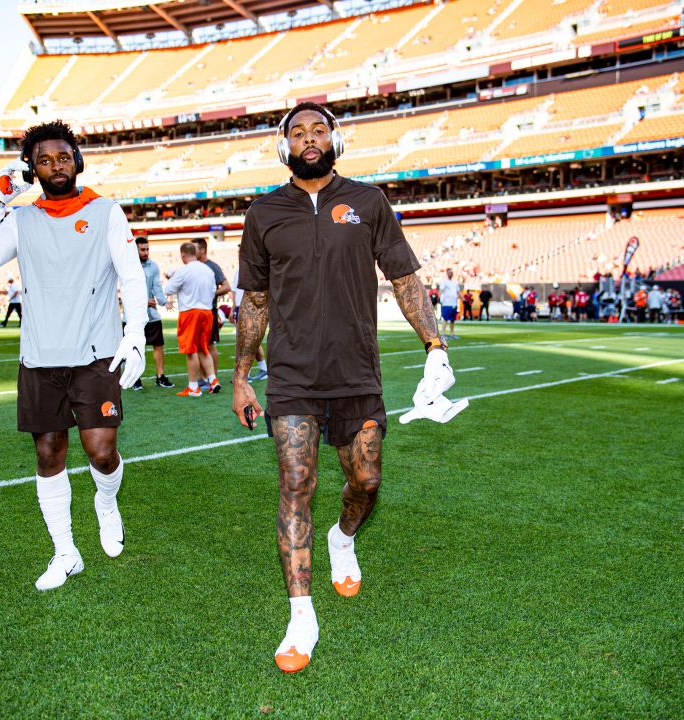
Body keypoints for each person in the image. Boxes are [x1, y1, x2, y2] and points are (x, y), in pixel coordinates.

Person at [231, 101, 460, 674]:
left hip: (356, 372)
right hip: (291, 377)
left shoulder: (368, 201)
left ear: (335, 138)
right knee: (296, 481)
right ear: (284, 146)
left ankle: (343, 538)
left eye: (318, 130)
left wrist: (436, 346)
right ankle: (301, 617)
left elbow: (405, 279)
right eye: (298, 133)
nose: (309, 139)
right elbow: (255, 301)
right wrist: (240, 375)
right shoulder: (263, 213)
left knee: (367, 481)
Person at [0, 119, 147, 591]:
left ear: (78, 161)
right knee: (48, 454)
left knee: (101, 452)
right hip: (40, 358)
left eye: (63, 157)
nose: (55, 166)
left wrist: (135, 335)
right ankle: (66, 553)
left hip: (96, 355)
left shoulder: (106, 211)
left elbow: (131, 276)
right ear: (31, 168)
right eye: (43, 160)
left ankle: (106, 504)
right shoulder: (21, 219)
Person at [163, 242, 217, 397]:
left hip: (190, 312)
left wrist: (171, 277)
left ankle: (193, 387)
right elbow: (213, 291)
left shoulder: (183, 271)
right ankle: (212, 380)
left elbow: (168, 289)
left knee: (191, 350)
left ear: (183, 255)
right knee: (203, 348)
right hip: (207, 312)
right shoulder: (208, 270)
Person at [192, 237, 232, 393]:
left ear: (202, 250)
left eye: (194, 249)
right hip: (196, 312)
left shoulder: (212, 266)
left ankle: (212, 377)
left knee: (209, 345)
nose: (192, 252)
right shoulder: (194, 266)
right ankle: (204, 378)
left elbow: (227, 286)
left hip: (209, 311)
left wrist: (210, 293)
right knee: (198, 346)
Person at [135, 237, 174, 389]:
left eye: (147, 249)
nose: (145, 252)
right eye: (142, 249)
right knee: (137, 347)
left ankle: (160, 377)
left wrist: (164, 302)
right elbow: (125, 290)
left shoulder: (154, 266)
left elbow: (157, 287)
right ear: (135, 250)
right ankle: (136, 379)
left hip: (152, 314)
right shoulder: (129, 266)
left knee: (158, 345)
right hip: (134, 316)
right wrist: (143, 301)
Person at [233, 266, 268, 380]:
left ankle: (245, 373)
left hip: (249, 306)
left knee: (249, 338)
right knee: (245, 338)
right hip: (241, 305)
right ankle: (259, 369)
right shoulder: (239, 269)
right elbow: (235, 291)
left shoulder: (251, 266)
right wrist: (234, 308)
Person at [438, 268, 460, 339]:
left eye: (452, 272)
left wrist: (464, 300)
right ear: (447, 274)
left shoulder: (455, 282)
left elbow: (458, 292)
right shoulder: (444, 282)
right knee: (445, 319)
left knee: (453, 320)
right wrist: (439, 298)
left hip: (454, 304)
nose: (451, 274)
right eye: (449, 272)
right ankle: (443, 334)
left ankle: (452, 334)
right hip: (446, 303)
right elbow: (441, 290)